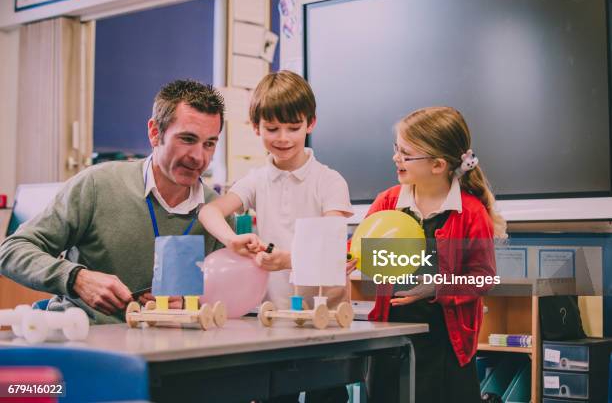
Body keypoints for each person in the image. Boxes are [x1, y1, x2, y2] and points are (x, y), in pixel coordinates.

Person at [0, 79, 232, 324]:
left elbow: (227, 295)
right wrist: (77, 279)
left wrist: (190, 303)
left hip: (174, 350)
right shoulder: (97, 185)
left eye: (209, 144)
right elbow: (11, 251)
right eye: (187, 139)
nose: (199, 157)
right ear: (155, 132)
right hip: (85, 338)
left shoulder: (218, 213)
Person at [199, 71, 353, 403]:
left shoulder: (329, 181)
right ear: (256, 127)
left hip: (321, 321)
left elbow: (332, 247)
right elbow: (209, 212)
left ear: (310, 124)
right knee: (274, 396)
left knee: (325, 395)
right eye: (272, 129)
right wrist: (232, 240)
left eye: (293, 128)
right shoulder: (256, 180)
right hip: (271, 321)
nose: (283, 137)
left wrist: (286, 259)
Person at [366, 107, 505, 402]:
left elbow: (483, 278)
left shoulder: (470, 213)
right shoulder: (387, 202)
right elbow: (363, 251)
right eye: (396, 149)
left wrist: (436, 287)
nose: (396, 158)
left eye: (406, 153)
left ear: (438, 165)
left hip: (445, 348)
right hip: (392, 344)